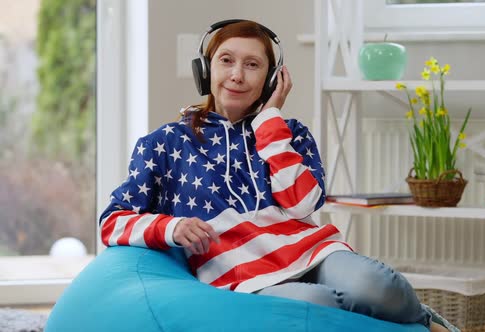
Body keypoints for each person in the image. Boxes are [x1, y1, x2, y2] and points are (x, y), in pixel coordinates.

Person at [99, 19, 453, 332]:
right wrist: (171, 228)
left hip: (315, 253)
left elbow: (303, 207)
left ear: (270, 80)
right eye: (226, 61)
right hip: (247, 278)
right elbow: (112, 222)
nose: (237, 75)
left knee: (380, 288)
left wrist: (270, 122)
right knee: (319, 307)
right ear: (205, 70)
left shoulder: (290, 132)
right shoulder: (164, 143)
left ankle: (424, 321)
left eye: (252, 65)